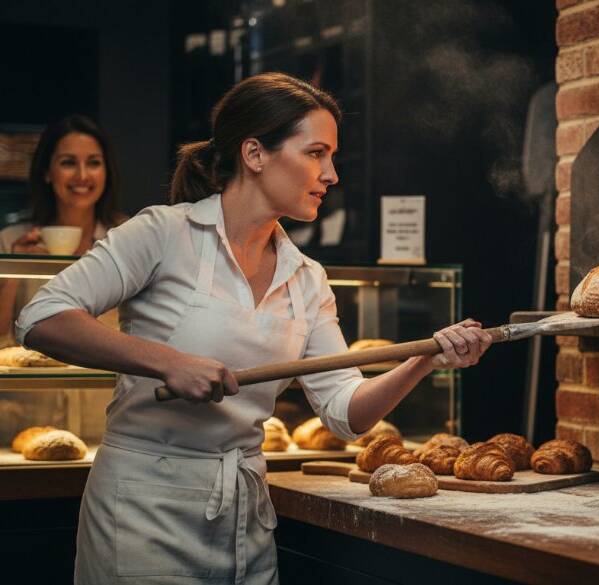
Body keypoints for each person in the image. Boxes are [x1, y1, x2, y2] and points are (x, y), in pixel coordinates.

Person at [15, 72, 492, 585]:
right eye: (316, 153)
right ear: (255, 154)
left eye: (331, 157)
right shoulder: (164, 232)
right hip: (141, 511)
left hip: (247, 516)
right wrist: (168, 361)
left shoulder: (306, 277)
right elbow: (41, 317)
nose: (331, 175)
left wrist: (423, 359)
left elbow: (344, 413)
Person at [0, 114, 126, 345]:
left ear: (107, 171)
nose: (82, 175)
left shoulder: (128, 235)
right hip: (35, 377)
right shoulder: (10, 240)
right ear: (47, 172)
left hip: (108, 376)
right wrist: (13, 275)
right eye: (68, 162)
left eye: (94, 163)